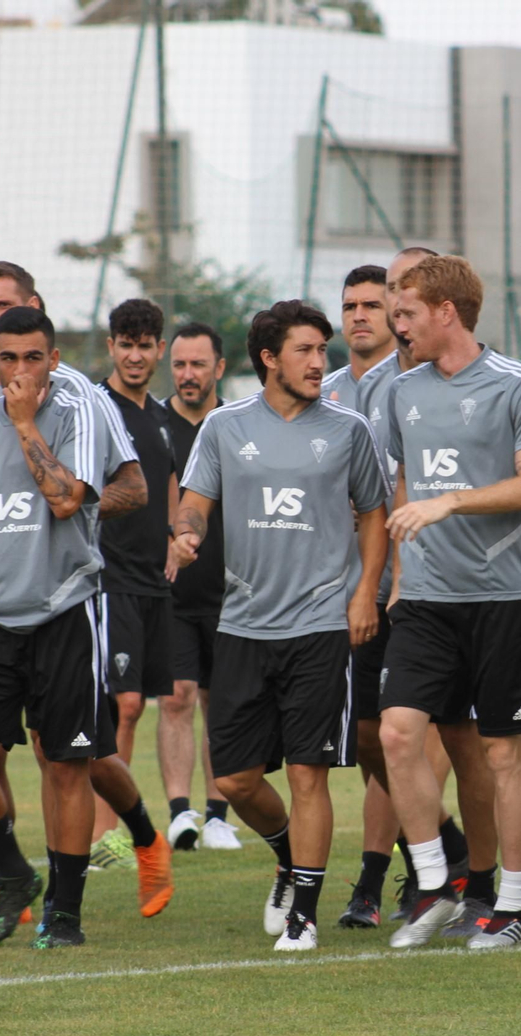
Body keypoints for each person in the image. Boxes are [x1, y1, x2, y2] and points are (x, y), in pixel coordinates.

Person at [0, 261, 156, 937]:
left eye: (34, 357)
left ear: (53, 358)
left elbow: (67, 496)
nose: (21, 368)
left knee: (65, 760)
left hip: (64, 608)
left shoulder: (74, 409)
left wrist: (25, 421)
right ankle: (13, 872)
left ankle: (64, 910)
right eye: (7, 355)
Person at [175, 299, 390, 951]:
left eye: (322, 350)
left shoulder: (349, 429)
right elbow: (194, 505)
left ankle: (303, 914)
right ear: (268, 357)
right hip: (242, 624)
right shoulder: (223, 427)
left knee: (307, 773)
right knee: (235, 779)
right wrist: (185, 535)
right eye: (304, 349)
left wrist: (363, 595)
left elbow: (375, 513)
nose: (318, 362)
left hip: (323, 623)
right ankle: (286, 856)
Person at [380, 254, 521, 952]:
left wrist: (449, 501)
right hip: (424, 601)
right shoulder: (402, 391)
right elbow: (401, 481)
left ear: (446, 311)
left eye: (407, 315)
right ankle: (434, 884)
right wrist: (400, 569)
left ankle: (509, 908)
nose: (398, 329)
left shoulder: (520, 384)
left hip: (500, 600)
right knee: (398, 733)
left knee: (502, 757)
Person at [321, 258, 481, 933]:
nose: (364, 313)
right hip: (345, 589)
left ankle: (413, 877)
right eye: (351, 303)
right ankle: (444, 855)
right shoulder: (322, 386)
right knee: (367, 737)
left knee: (438, 736)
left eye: (377, 300)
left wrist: (388, 583)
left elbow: (396, 489)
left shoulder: (416, 380)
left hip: (411, 591)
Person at [90, 299, 181, 866]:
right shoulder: (96, 409)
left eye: (145, 345)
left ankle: (116, 828)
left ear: (159, 351)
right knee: (119, 704)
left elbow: (168, 480)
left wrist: (175, 536)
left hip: (153, 582)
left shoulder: (163, 419)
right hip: (108, 578)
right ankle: (110, 836)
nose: (135, 355)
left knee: (137, 706)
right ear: (111, 349)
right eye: (125, 344)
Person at [157, 323, 239, 852]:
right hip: (170, 594)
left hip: (231, 592)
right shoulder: (154, 424)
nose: (188, 375)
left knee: (222, 702)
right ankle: (180, 813)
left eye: (198, 365)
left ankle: (218, 815)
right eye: (180, 364)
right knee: (177, 697)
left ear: (219, 368)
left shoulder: (236, 425)